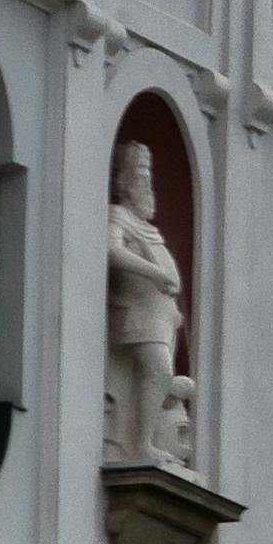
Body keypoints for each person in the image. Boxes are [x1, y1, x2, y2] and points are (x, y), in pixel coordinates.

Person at [103, 136, 186, 465]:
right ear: (125, 183)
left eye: (150, 178)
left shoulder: (148, 228)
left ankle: (146, 440)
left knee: (161, 374)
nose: (149, 186)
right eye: (141, 178)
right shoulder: (119, 216)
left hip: (161, 318)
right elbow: (112, 250)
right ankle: (142, 444)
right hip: (137, 314)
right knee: (159, 369)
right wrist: (154, 272)